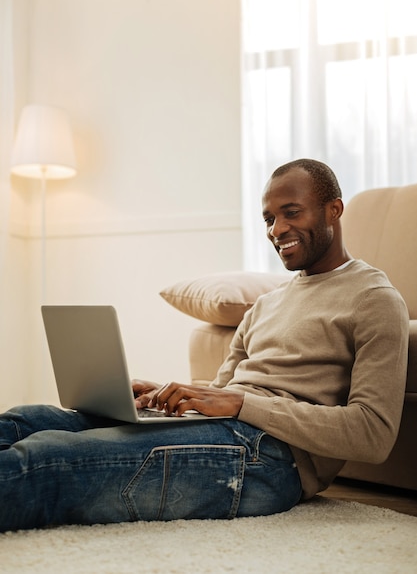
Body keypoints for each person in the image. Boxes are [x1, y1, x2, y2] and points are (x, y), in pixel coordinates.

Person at [0, 158, 408, 532]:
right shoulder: (267, 303)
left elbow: (373, 434)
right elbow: (223, 395)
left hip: (271, 460)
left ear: (333, 210)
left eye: (291, 213)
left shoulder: (374, 298)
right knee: (24, 421)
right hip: (225, 431)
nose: (276, 229)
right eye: (268, 218)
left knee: (46, 457)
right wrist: (164, 395)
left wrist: (241, 404)